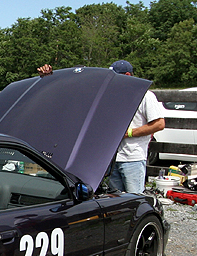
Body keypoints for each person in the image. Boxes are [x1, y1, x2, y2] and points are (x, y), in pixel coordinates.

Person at [36, 61, 165, 193]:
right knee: (115, 199)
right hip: (110, 158)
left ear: (127, 75)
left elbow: (159, 124)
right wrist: (49, 79)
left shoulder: (145, 96)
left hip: (133, 158)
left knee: (135, 197)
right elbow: (77, 92)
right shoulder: (112, 96)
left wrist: (129, 133)